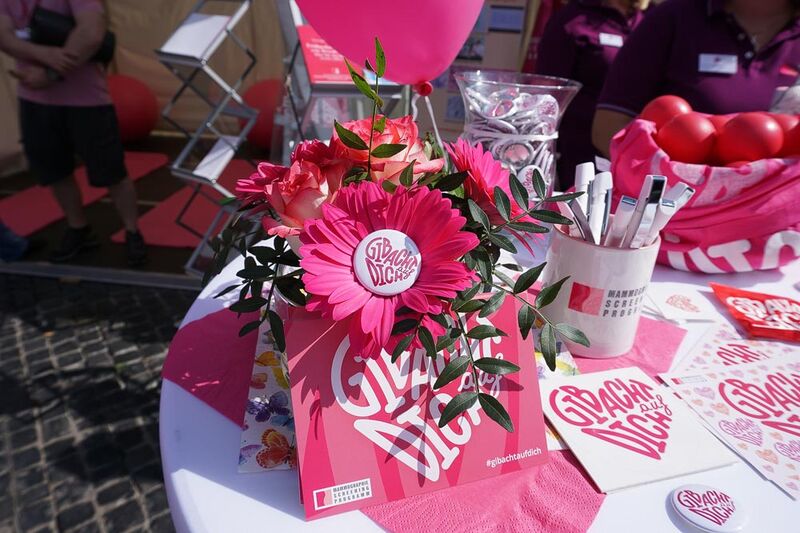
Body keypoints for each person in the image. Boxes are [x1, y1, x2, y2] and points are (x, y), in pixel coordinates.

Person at [0, 0, 147, 265]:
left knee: (112, 171)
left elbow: (91, 33)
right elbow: (4, 37)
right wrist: (46, 55)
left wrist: (51, 73)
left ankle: (132, 231)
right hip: (34, 100)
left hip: (87, 100)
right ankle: (78, 228)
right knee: (55, 171)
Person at [593, 0, 800, 156]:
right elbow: (609, 128)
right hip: (679, 197)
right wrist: (678, 179)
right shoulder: (673, 17)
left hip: (785, 199)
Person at [535, 0, 651, 188]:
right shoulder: (572, 20)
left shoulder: (651, 21)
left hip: (637, 152)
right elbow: (549, 93)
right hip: (581, 150)